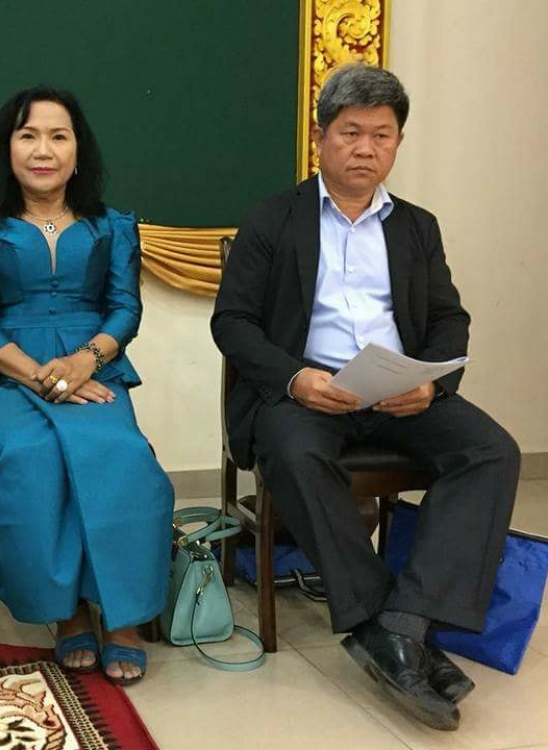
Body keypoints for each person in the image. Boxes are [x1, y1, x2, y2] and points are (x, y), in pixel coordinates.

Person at [212, 63, 519, 730]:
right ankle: (388, 625)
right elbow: (232, 322)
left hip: (398, 390)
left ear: (398, 143)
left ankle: (405, 619)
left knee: (492, 451)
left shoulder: (416, 226)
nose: (365, 149)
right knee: (294, 452)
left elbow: (449, 318)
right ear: (320, 137)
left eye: (382, 136)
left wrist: (431, 381)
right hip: (309, 391)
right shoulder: (273, 218)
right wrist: (295, 378)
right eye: (351, 133)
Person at [0, 87, 174, 686]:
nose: (42, 150)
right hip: (5, 376)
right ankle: (67, 612)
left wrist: (83, 362)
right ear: (7, 148)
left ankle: (122, 617)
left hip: (94, 370)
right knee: (31, 455)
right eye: (28, 136)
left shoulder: (113, 226)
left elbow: (125, 310)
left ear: (78, 151)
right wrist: (43, 376)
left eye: (57, 136)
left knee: (123, 454)